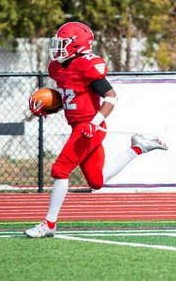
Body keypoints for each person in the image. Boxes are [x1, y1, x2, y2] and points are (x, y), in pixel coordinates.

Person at [24, 22, 168, 238]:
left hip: (90, 127)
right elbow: (70, 98)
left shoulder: (87, 65)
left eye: (63, 44)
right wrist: (48, 109)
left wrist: (94, 121)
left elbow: (111, 97)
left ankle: (49, 224)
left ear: (77, 45)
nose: (57, 48)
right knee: (96, 181)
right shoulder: (57, 67)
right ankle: (138, 148)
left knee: (60, 170)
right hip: (79, 126)